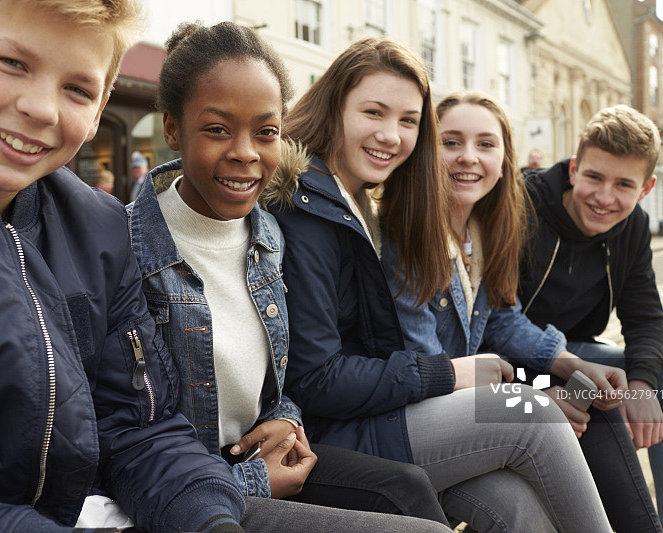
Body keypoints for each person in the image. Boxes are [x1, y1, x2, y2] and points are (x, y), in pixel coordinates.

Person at [0, 1, 248, 531]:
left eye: (77, 89)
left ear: (100, 109)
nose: (42, 109)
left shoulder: (100, 227)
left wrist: (209, 517)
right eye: (13, 63)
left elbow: (138, 427)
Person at [265, 38, 614, 532]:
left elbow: (496, 319)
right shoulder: (311, 209)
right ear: (334, 107)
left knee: (517, 506)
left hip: (384, 410)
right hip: (335, 432)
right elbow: (318, 379)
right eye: (373, 112)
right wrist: (452, 375)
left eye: (408, 120)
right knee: (533, 412)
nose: (391, 135)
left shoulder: (357, 203)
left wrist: (559, 362)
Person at [125, 21, 450, 533]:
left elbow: (280, 378)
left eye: (266, 132)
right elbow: (129, 436)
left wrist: (286, 418)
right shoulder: (126, 246)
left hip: (263, 458)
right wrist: (251, 479)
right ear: (172, 129)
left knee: (411, 488)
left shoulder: (269, 237)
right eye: (217, 129)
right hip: (192, 489)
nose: (246, 152)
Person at [382, 91, 662, 532]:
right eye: (451, 142)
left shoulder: (483, 229)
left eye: (486, 144)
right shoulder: (410, 230)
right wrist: (532, 394)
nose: (468, 157)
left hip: (477, 392)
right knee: (544, 417)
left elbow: (502, 319)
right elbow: (432, 368)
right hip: (418, 410)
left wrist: (572, 363)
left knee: (596, 391)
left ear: (504, 161)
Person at [519, 104, 663, 533]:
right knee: (592, 389)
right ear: (574, 168)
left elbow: (646, 317)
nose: (604, 197)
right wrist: (544, 383)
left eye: (624, 185)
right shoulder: (523, 205)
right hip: (512, 361)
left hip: (578, 358)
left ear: (646, 188)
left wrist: (642, 384)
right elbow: (490, 321)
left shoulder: (633, 226)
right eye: (594, 177)